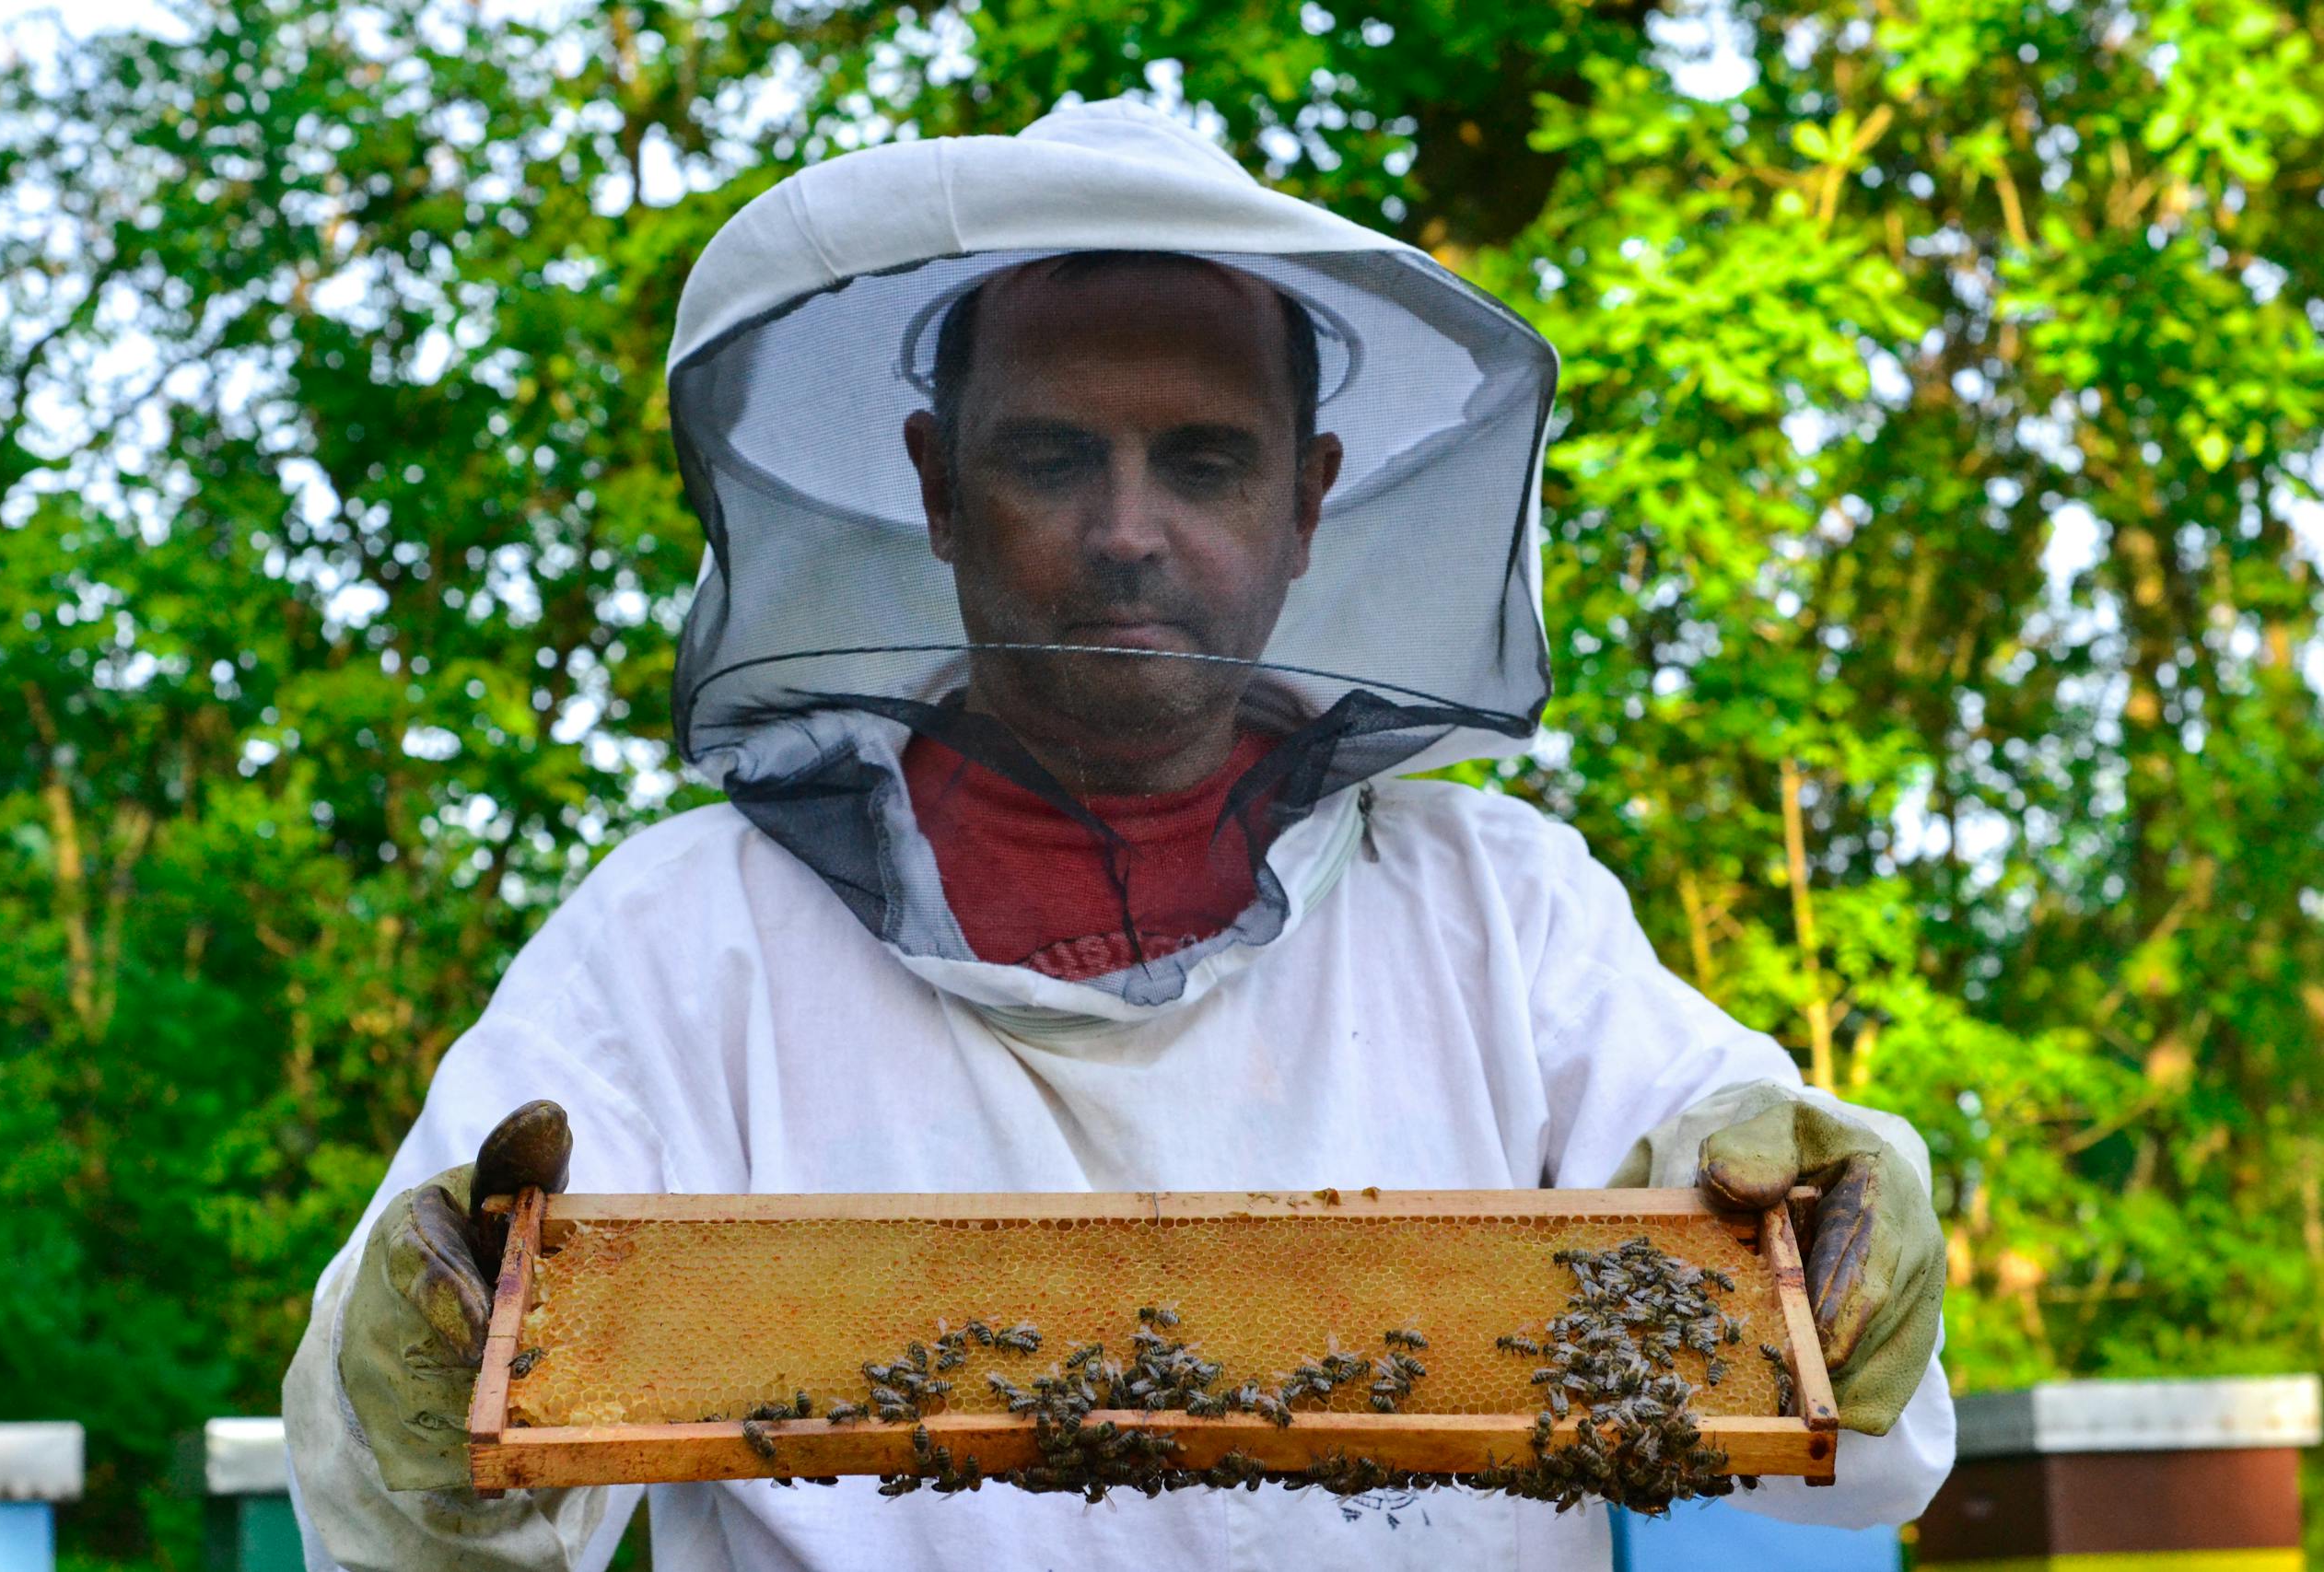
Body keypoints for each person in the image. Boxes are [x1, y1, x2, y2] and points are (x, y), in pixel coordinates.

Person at [284, 99, 1954, 1571]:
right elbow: (420, 1513)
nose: (1129, 533)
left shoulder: (1503, 913)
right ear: (940, 492)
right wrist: (432, 1349)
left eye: (1205, 462)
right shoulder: (676, 941)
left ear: (1306, 503)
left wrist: (1821, 1228)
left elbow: (1858, 1453)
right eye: (1053, 457)